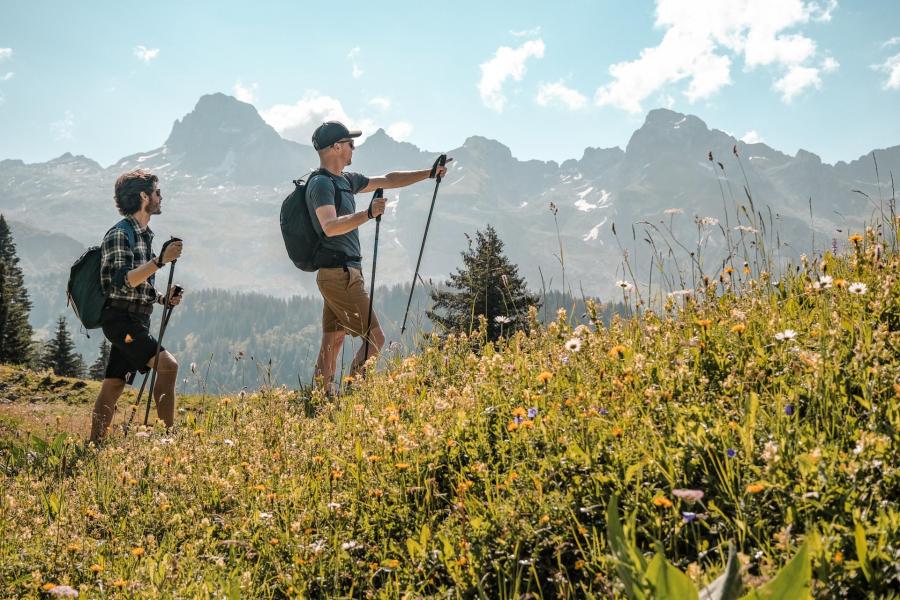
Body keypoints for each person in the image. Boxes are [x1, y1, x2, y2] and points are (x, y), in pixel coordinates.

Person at [307, 121, 449, 393]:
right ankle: (353, 393)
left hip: (338, 273)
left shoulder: (345, 181)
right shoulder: (322, 184)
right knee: (375, 337)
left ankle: (319, 398)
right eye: (350, 144)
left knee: (334, 339)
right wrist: (368, 214)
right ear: (336, 147)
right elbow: (330, 226)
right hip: (339, 274)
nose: (353, 148)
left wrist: (429, 173)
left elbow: (389, 179)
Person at [89, 169, 184, 443]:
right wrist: (160, 261)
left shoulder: (144, 235)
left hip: (136, 320)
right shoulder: (120, 234)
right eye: (156, 192)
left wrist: (164, 299)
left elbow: (140, 284)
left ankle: (95, 443)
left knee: (114, 382)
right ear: (143, 196)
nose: (160, 196)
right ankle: (168, 438)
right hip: (121, 322)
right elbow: (121, 282)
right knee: (168, 365)